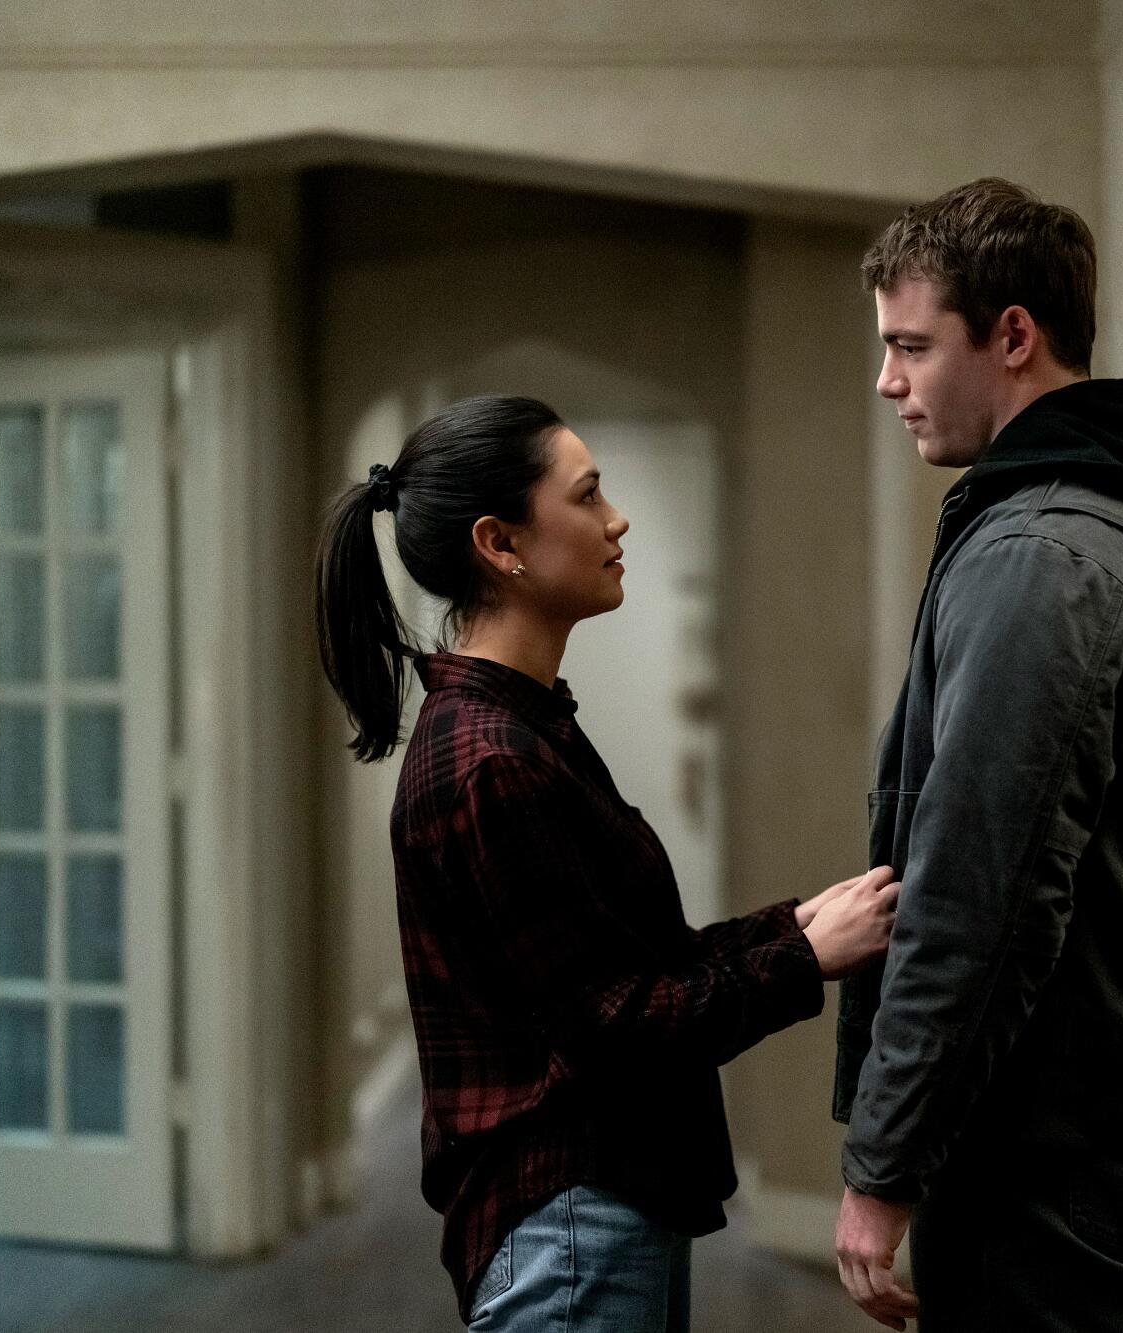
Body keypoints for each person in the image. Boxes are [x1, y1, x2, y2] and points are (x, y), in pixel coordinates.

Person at [314, 394, 900, 1332]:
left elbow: (619, 964)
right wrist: (804, 959)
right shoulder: (491, 759)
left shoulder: (524, 725)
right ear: (500, 544)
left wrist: (790, 926)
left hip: (594, 1216)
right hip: (570, 1229)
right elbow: (617, 1026)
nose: (614, 519)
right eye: (587, 496)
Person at [831, 179, 1123, 1333]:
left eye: (910, 346)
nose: (888, 381)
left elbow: (983, 892)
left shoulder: (1042, 557)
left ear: (1012, 335)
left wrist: (883, 1162)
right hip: (1103, 1120)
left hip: (1045, 1132)